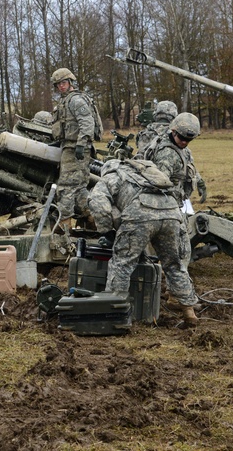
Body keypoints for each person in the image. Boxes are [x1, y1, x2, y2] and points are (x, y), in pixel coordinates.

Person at [88, 158, 200, 326]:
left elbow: (99, 204)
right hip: (171, 214)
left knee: (122, 264)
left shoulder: (112, 176)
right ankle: (189, 312)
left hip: (140, 216)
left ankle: (115, 313)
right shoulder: (146, 173)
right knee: (174, 265)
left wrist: (106, 231)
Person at [50, 68, 95, 228]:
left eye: (63, 83)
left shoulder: (76, 101)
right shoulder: (64, 101)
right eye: (58, 84)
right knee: (80, 190)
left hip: (75, 150)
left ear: (70, 82)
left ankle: (64, 229)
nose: (61, 87)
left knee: (65, 189)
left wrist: (81, 145)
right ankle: (96, 220)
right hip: (68, 148)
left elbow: (87, 123)